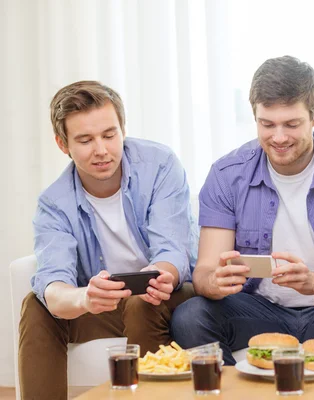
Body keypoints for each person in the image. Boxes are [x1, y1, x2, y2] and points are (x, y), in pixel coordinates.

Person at [171, 55, 314, 365]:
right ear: (255, 117)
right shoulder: (226, 174)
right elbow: (205, 272)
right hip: (258, 309)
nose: (278, 137)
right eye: (267, 124)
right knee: (189, 316)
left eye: (291, 124)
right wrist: (216, 282)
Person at [19, 81, 198, 400]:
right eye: (85, 140)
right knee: (35, 305)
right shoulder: (54, 203)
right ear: (63, 144)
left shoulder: (159, 164)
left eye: (109, 135)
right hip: (103, 306)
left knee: (141, 301)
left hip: (164, 297)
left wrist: (159, 276)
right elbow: (52, 281)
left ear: (123, 129)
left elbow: (173, 249)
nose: (101, 150)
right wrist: (84, 298)